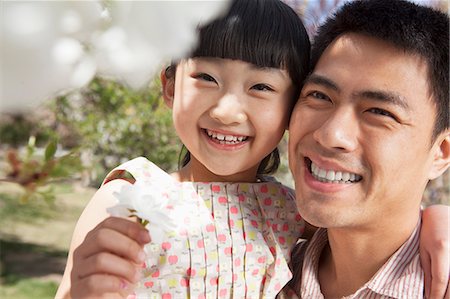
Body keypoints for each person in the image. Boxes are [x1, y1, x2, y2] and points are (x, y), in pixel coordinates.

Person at [55, 0, 449, 298]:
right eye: (320, 96)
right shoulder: (133, 196)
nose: (227, 111)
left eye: (379, 111)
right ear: (170, 86)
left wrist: (434, 219)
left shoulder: (280, 212)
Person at [285, 0, 450, 298]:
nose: (331, 134)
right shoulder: (257, 269)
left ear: (442, 152)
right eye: (319, 95)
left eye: (380, 112)